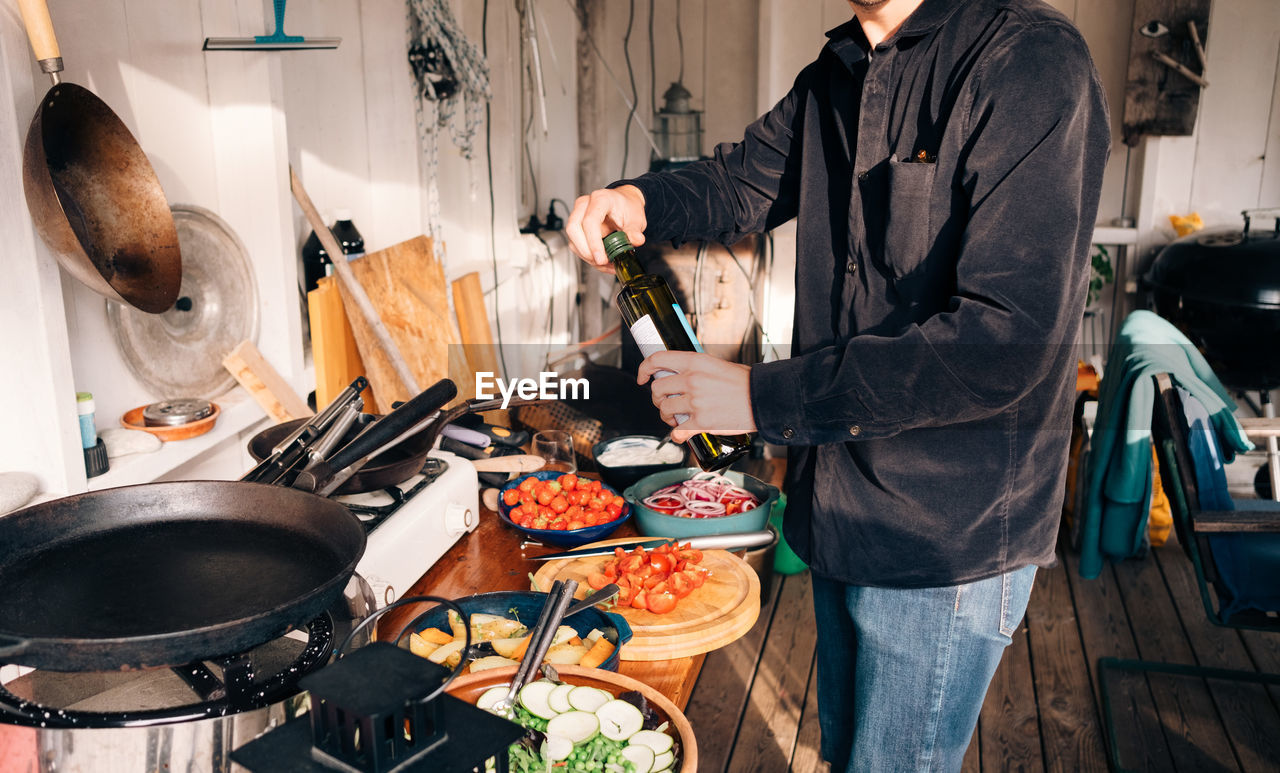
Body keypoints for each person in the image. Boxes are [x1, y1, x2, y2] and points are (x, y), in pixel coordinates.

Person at [566, 0, 1109, 769]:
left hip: (942, 542)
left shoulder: (1029, 61)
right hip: (842, 513)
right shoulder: (840, 71)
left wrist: (758, 397)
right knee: (853, 755)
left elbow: (999, 345)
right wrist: (640, 201)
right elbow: (736, 183)